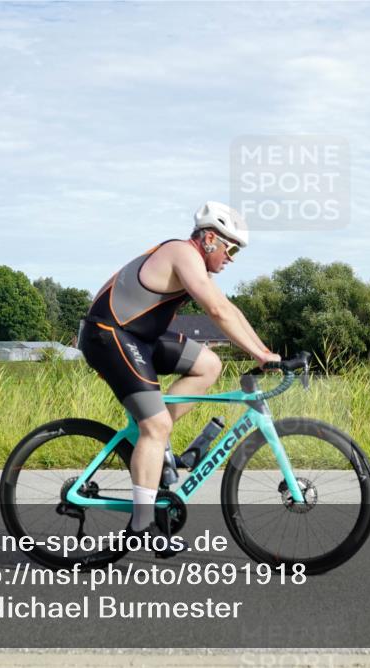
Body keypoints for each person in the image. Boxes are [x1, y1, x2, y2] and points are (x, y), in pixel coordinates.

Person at [78, 201, 280, 555]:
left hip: (138, 337)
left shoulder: (195, 264)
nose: (232, 257)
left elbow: (230, 309)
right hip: (108, 335)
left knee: (209, 366)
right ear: (209, 239)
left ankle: (157, 446)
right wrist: (261, 356)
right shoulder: (182, 254)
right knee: (154, 425)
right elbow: (216, 312)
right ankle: (141, 525)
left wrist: (266, 352)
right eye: (231, 248)